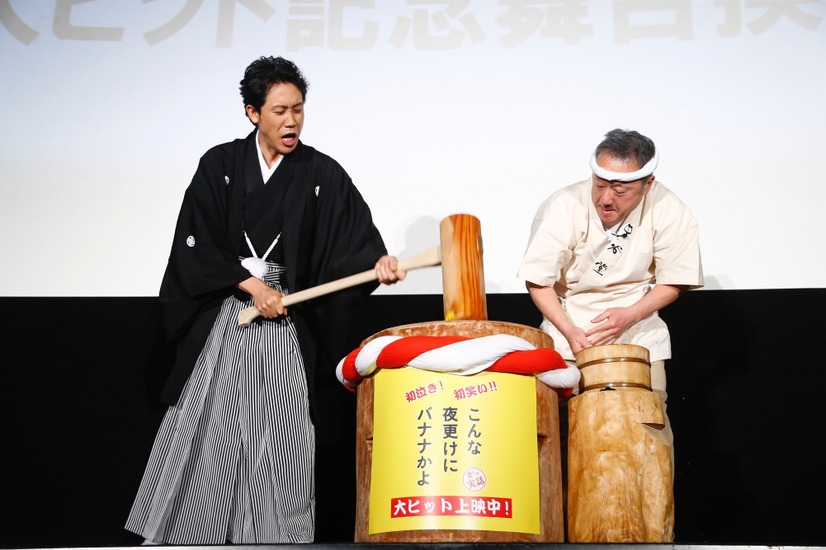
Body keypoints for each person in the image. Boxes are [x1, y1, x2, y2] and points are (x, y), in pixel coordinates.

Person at [125, 55, 405, 545]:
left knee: (284, 435)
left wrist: (377, 263)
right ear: (252, 112)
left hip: (285, 323)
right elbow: (196, 243)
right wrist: (253, 286)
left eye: (298, 108)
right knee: (211, 430)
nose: (291, 121)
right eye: (279, 110)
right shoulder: (220, 165)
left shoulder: (320, 172)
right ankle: (196, 537)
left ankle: (279, 540)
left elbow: (352, 239)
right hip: (228, 315)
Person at [517, 128, 703, 457]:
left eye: (620, 190)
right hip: (569, 333)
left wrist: (630, 314)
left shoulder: (670, 209)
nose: (605, 198)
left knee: (648, 438)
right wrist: (569, 330)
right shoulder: (563, 205)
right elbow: (539, 281)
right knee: (561, 436)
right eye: (599, 184)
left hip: (638, 335)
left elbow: (675, 279)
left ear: (647, 184)